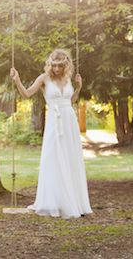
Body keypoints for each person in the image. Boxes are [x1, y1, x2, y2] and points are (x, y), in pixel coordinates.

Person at [10, 49, 92, 218]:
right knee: (53, 158)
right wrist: (17, 80)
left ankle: (73, 201)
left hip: (69, 120)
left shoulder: (68, 78)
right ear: (50, 64)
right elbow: (26, 94)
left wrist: (78, 88)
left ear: (65, 64)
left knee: (70, 158)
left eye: (60, 65)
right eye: (54, 65)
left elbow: (71, 101)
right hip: (55, 121)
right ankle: (53, 201)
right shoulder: (44, 78)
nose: (56, 69)